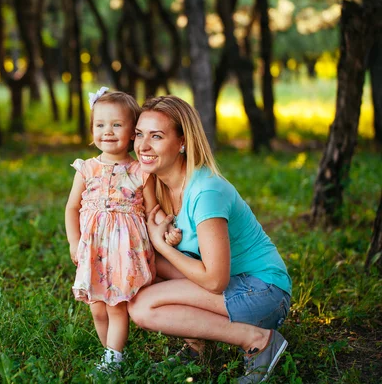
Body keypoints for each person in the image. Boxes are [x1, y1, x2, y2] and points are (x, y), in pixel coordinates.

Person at [129, 95, 292, 383]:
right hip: (232, 287)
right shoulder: (157, 183)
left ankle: (258, 340)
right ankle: (197, 348)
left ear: (182, 142)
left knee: (143, 307)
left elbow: (215, 280)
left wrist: (160, 244)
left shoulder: (206, 192)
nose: (143, 146)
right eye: (139, 134)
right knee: (145, 271)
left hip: (263, 293)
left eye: (156, 136)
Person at [64, 88, 181, 371]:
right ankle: (110, 354)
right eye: (100, 125)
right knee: (96, 307)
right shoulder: (86, 169)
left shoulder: (140, 171)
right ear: (92, 130)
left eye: (117, 124)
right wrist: (73, 242)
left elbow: (152, 209)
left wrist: (167, 230)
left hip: (123, 252)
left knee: (116, 306)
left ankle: (112, 359)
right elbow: (71, 208)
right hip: (93, 249)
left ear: (132, 133)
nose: (108, 131)